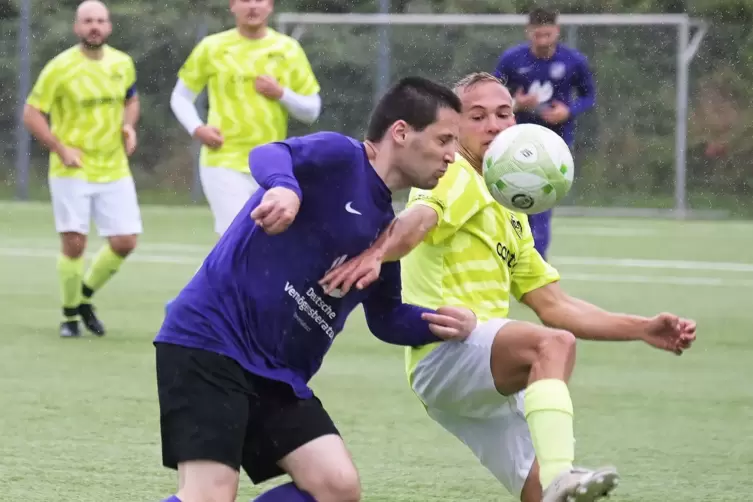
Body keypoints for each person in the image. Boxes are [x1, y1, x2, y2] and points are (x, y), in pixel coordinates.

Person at [320, 73, 696, 502]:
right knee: (551, 346)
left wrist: (643, 328)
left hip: (478, 370)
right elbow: (419, 220)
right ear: (453, 130)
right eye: (476, 116)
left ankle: (556, 481)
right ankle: (562, 473)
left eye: (504, 114)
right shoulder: (457, 174)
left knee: (545, 495)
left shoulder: (510, 211)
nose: (495, 126)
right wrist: (375, 253)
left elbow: (554, 304)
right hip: (446, 352)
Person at [154, 76, 478, 502]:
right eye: (444, 140)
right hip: (211, 342)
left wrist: (444, 321)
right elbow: (269, 153)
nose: (453, 155)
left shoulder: (385, 227)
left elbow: (388, 319)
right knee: (210, 495)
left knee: (336, 489)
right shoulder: (342, 156)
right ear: (401, 133)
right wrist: (285, 188)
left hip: (276, 376)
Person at [23, 0, 141, 338]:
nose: (95, 26)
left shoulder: (123, 63)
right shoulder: (60, 67)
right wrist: (60, 148)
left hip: (114, 167)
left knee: (125, 241)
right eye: (88, 21)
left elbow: (131, 100)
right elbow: (31, 112)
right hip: (72, 169)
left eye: (101, 21)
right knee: (74, 243)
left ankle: (84, 296)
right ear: (77, 27)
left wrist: (129, 127)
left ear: (109, 27)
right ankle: (69, 316)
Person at [170, 0, 322, 237]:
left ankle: (220, 274)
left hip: (270, 164)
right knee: (237, 236)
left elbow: (312, 110)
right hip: (223, 160)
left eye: (259, 0)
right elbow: (180, 97)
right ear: (232, 5)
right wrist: (197, 128)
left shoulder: (288, 49)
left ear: (270, 5)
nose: (252, 6)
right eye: (244, 0)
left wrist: (281, 93)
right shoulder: (212, 47)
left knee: (266, 240)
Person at [493, 7, 596, 260]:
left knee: (540, 204)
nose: (542, 41)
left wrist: (568, 111)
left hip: (555, 144)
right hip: (515, 142)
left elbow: (589, 96)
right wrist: (516, 105)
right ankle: (508, 257)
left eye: (547, 35)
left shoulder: (574, 61)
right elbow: (492, 94)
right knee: (511, 203)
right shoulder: (511, 59)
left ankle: (535, 261)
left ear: (557, 32)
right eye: (537, 35)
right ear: (528, 32)